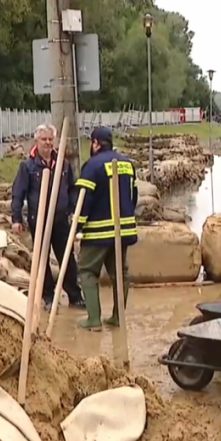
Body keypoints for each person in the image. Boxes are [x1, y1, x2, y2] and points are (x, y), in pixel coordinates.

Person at [11, 124, 85, 312]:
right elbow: (18, 193)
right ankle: (49, 296)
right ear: (37, 140)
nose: (48, 143)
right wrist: (16, 218)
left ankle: (75, 296)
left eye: (51, 139)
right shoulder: (28, 167)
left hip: (60, 219)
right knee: (42, 259)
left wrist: (71, 207)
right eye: (44, 139)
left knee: (67, 257)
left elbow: (72, 188)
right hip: (39, 219)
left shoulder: (63, 165)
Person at [74, 127, 138, 331]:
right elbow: (133, 196)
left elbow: (84, 202)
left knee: (86, 271)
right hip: (124, 229)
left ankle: (94, 320)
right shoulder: (128, 164)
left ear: (95, 143)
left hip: (98, 232)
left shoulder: (92, 166)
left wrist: (77, 226)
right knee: (120, 273)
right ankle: (118, 317)